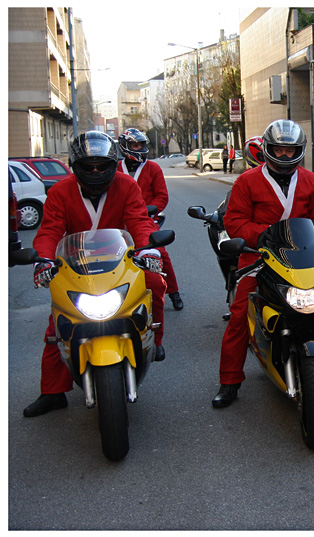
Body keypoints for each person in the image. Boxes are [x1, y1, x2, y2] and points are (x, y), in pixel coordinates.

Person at [23, 131, 167, 417]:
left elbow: (139, 220)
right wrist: (42, 260)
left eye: (102, 166)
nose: (96, 172)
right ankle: (52, 392)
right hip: (77, 262)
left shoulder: (126, 185)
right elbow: (50, 229)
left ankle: (155, 339)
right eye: (87, 167)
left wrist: (148, 250)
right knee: (59, 322)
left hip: (119, 258)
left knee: (154, 284)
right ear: (75, 166)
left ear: (113, 164)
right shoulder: (61, 191)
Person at [211, 120, 314, 408]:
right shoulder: (247, 181)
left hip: (305, 259)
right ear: (268, 149)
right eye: (278, 150)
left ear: (299, 151)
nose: (283, 156)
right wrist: (268, 237)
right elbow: (234, 221)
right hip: (258, 257)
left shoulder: (312, 181)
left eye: (289, 150)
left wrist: (309, 239)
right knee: (240, 312)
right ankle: (229, 380)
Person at [118, 128, 184, 310]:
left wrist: (150, 209)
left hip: (145, 220)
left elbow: (162, 196)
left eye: (141, 145)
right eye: (135, 145)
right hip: (119, 224)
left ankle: (174, 292)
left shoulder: (153, 168)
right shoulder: (116, 169)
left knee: (161, 254)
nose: (139, 148)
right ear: (125, 147)